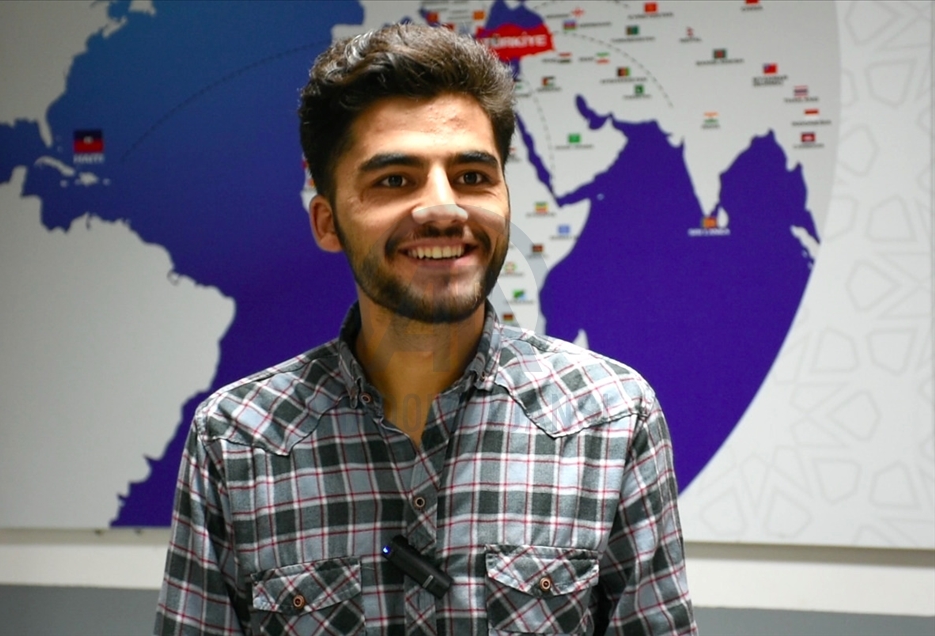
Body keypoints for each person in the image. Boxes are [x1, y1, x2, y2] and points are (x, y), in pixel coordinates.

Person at [155, 23, 696, 636]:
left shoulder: (611, 419)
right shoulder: (237, 440)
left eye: (472, 176)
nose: (443, 208)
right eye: (394, 180)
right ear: (327, 223)